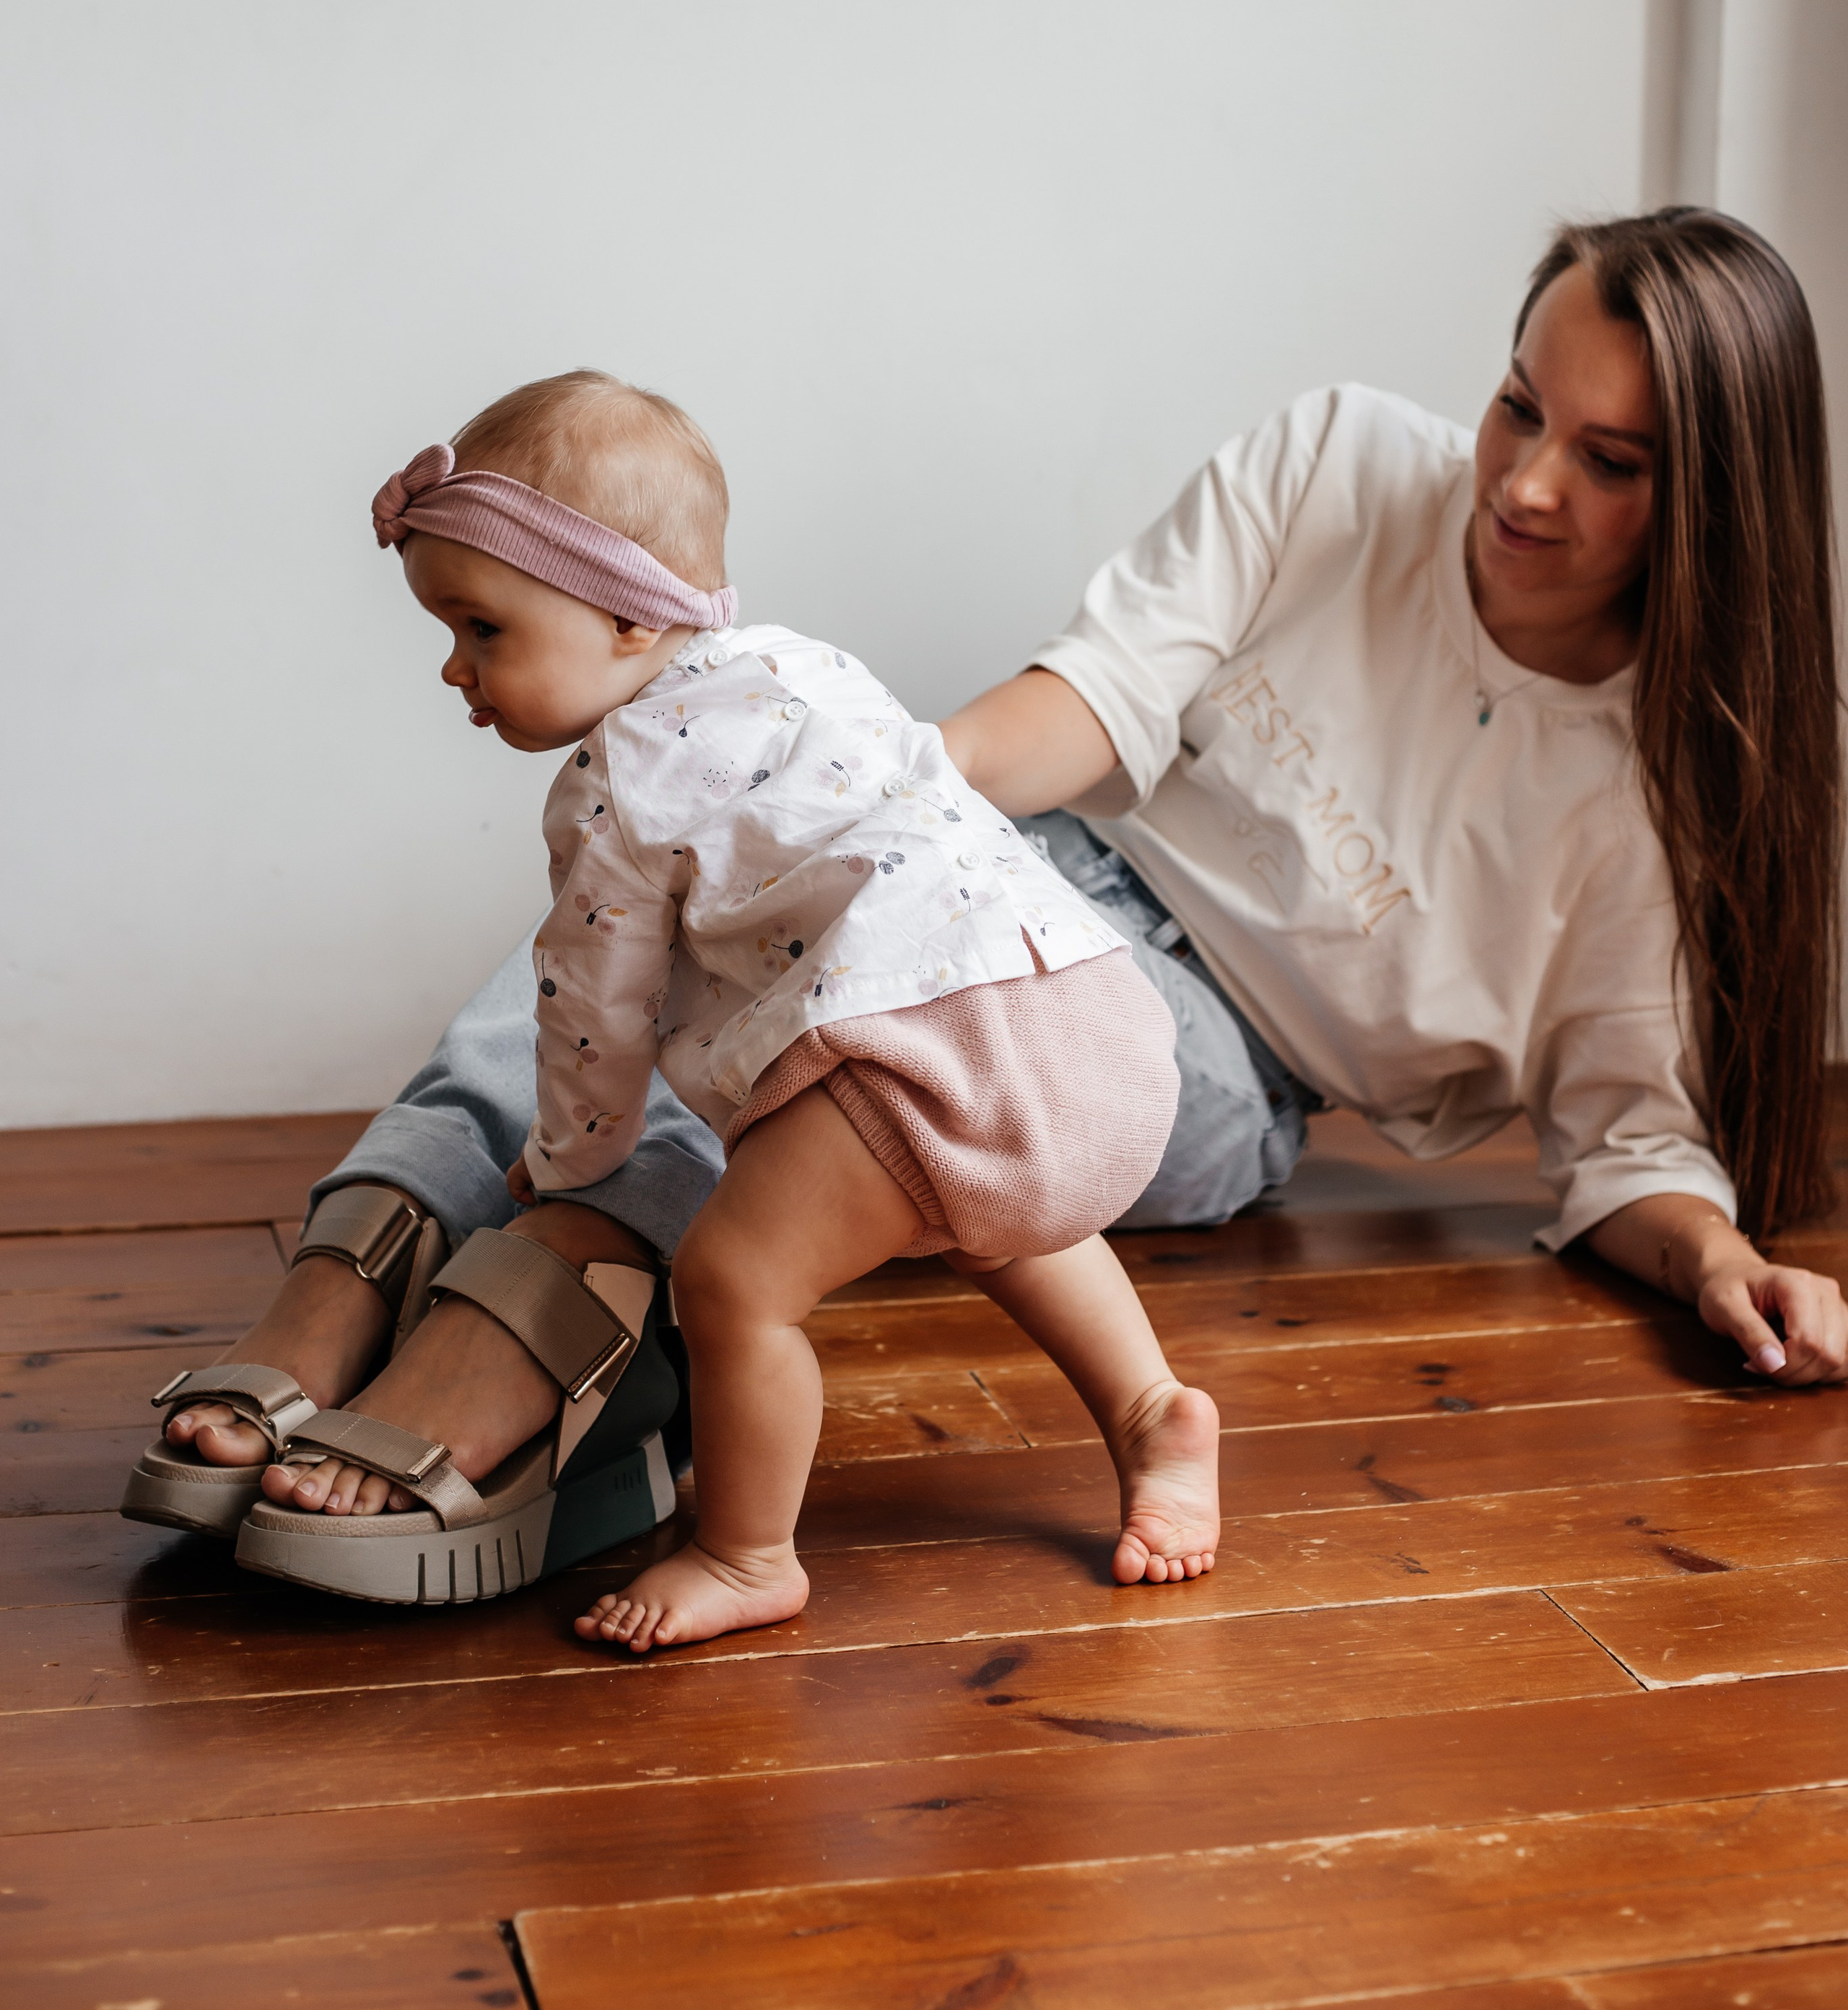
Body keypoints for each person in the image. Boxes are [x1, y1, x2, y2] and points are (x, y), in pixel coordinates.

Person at [128, 207, 1848, 1588]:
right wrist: (840, 822)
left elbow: (1621, 1130)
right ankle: (360, 1260)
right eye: (1517, 405)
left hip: (1206, 1061)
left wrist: (1712, 1260)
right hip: (1038, 861)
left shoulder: (1654, 790)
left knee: (805, 1076)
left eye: (1609, 461)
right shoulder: (1341, 459)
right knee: (636, 934)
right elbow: (1094, 697)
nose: (1524, 481)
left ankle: (533, 1326)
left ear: (1709, 497)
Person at [152, 372, 1219, 1624]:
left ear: (626, 618)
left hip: (918, 1035)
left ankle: (749, 1558)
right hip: (1090, 1004)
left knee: (735, 1284)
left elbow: (597, 1016)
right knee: (994, 1215)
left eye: (483, 629)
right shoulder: (803, 664)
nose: (455, 668)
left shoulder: (619, 780)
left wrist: (571, 1161)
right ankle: (1152, 1411)